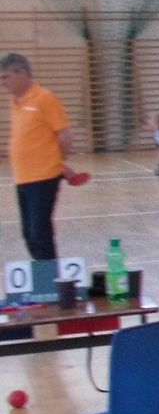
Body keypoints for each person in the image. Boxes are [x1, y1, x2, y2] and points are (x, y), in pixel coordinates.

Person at [1, 53, 86, 262]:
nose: (2, 83)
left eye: (5, 77)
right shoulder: (16, 102)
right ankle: (44, 275)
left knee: (39, 233)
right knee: (29, 234)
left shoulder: (44, 98)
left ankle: (50, 278)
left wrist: (58, 163)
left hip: (44, 177)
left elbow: (65, 136)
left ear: (21, 73)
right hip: (23, 179)